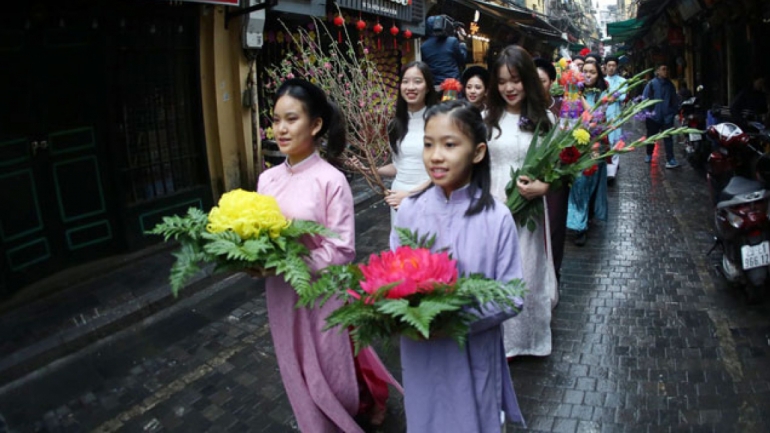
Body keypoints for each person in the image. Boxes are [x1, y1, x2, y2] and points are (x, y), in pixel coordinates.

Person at [257, 79, 400, 432]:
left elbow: (341, 248)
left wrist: (295, 264)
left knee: (331, 366)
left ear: (316, 124)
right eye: (276, 120)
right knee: (294, 364)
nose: (281, 128)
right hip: (280, 293)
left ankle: (357, 403)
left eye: (291, 119)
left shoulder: (331, 180)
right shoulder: (267, 180)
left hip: (322, 293)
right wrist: (252, 262)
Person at [392, 99, 526, 431]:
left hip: (472, 350)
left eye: (449, 144)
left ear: (477, 152)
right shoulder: (410, 211)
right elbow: (392, 280)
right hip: (420, 350)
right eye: (428, 144)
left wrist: (453, 319)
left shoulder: (497, 218)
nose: (435, 155)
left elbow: (511, 295)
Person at [484, 45, 558, 357]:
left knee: (527, 272)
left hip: (529, 210)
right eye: (501, 82)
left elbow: (558, 168)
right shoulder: (485, 118)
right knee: (495, 272)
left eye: (515, 80)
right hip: (491, 205)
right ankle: (497, 341)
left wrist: (544, 186)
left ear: (527, 79)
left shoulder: (546, 119)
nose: (509, 88)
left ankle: (527, 340)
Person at [377, 61, 439, 224]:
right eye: (405, 81)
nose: (410, 87)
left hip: (430, 196)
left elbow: (447, 171)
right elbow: (398, 165)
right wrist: (369, 170)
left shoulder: (439, 122)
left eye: (417, 81)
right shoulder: (394, 126)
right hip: (399, 198)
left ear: (427, 87)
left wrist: (411, 195)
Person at [567, 56, 609, 247]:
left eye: (592, 72)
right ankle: (579, 225)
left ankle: (586, 217)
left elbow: (596, 116)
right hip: (577, 142)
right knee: (579, 183)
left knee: (591, 183)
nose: (588, 75)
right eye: (586, 72)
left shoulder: (603, 92)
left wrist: (581, 97)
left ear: (598, 74)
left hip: (595, 144)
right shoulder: (574, 90)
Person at [534, 57, 568, 281]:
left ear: (552, 82)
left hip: (555, 179)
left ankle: (553, 276)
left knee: (554, 227)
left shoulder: (563, 107)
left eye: (542, 80)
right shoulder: (523, 109)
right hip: (529, 179)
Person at [642, 63, 680, 168]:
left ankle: (671, 159)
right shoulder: (651, 84)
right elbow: (645, 99)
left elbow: (674, 100)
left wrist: (672, 112)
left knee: (668, 139)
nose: (666, 71)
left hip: (667, 117)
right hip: (653, 117)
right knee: (651, 137)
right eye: (663, 69)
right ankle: (649, 154)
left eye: (667, 69)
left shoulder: (670, 85)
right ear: (658, 71)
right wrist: (648, 113)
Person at [421, 15, 467, 86]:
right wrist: (462, 42)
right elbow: (462, 59)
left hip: (435, 86)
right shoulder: (452, 41)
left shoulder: (424, 46)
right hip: (452, 85)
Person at [604, 55, 627, 181]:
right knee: (605, 142)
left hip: (616, 115)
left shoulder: (622, 81)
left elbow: (623, 96)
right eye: (609, 65)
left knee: (615, 142)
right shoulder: (602, 81)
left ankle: (611, 172)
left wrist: (611, 96)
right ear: (605, 66)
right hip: (603, 116)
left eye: (613, 65)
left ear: (616, 67)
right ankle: (607, 169)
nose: (611, 68)